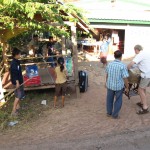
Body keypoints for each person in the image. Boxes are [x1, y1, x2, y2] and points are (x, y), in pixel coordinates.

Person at [105, 50, 129, 119]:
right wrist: (127, 87)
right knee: (118, 100)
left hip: (110, 85)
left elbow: (107, 74)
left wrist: (106, 82)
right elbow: (125, 78)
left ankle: (109, 113)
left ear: (114, 56)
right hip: (119, 87)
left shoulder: (109, 64)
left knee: (109, 99)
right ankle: (115, 115)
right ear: (121, 57)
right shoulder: (123, 66)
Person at [128, 45, 150, 114]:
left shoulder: (139, 55)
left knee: (140, 90)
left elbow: (132, 63)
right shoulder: (146, 53)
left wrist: (127, 68)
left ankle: (145, 108)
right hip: (147, 73)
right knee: (143, 89)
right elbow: (137, 64)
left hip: (146, 75)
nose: (134, 52)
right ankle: (142, 102)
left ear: (136, 49)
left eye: (134, 50)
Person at [10, 48, 25, 116]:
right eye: (19, 54)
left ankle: (18, 107)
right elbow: (14, 73)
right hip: (17, 81)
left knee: (19, 95)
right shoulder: (13, 63)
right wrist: (17, 82)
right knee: (18, 96)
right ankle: (13, 111)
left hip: (19, 80)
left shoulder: (17, 61)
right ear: (16, 55)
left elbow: (18, 72)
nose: (20, 55)